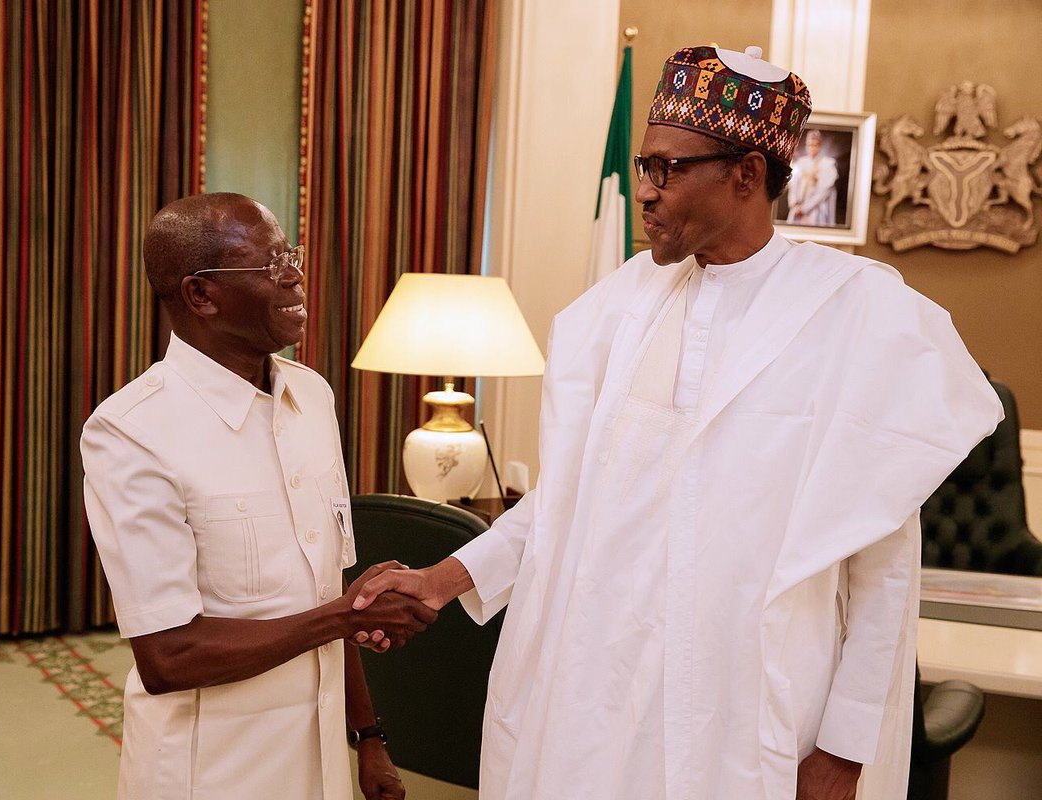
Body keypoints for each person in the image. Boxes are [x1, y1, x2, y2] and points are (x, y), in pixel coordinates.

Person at [353, 45, 1003, 800]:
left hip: (750, 710)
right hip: (600, 695)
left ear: (747, 174)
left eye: (667, 169)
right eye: (643, 166)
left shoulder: (858, 314)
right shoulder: (616, 309)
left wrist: (843, 750)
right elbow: (568, 505)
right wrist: (439, 581)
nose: (645, 192)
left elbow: (881, 568)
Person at [81, 192, 437, 800]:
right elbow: (169, 655)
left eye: (291, 255)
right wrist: (346, 616)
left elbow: (327, 587)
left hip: (319, 762)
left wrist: (369, 737)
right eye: (271, 264)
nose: (294, 276)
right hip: (211, 773)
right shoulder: (131, 432)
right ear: (201, 294)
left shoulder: (311, 397)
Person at [787, 129, 840, 225]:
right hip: (798, 207)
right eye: (809, 145)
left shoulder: (828, 164)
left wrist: (805, 208)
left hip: (816, 208)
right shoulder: (800, 163)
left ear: (820, 146)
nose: (812, 148)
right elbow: (793, 186)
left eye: (815, 145)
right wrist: (794, 204)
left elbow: (824, 192)